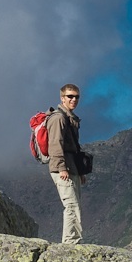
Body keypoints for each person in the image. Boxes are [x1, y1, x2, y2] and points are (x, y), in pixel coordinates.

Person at [47, 83, 86, 244]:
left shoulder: (70, 119)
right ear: (62, 98)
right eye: (70, 96)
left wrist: (81, 171)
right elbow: (55, 144)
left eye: (76, 96)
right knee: (71, 205)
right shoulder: (58, 118)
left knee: (74, 205)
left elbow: (74, 148)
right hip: (62, 169)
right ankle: (70, 243)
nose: (74, 99)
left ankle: (72, 241)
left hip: (72, 168)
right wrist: (62, 167)